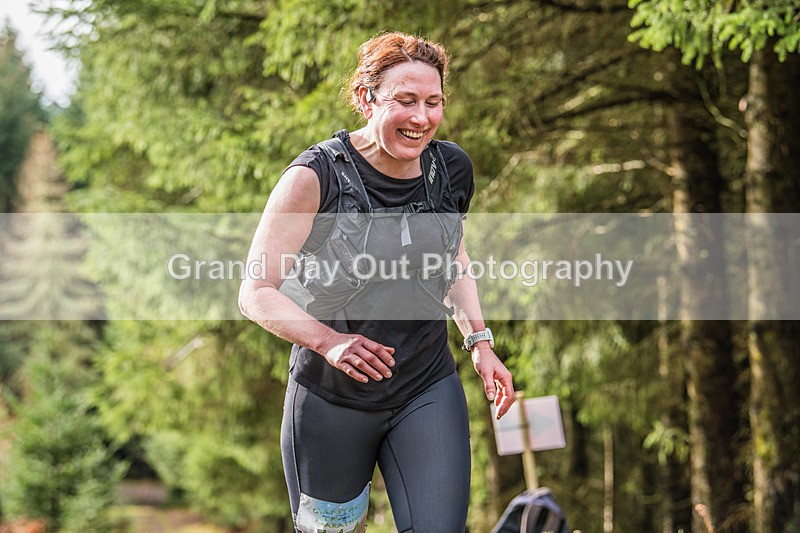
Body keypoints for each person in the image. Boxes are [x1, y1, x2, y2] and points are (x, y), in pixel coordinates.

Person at [239, 31, 515, 533]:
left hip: (426, 384)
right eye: (405, 100)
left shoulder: (451, 169)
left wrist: (480, 341)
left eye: (433, 102)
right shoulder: (314, 177)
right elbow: (255, 293)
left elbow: (453, 259)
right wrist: (329, 342)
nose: (421, 117)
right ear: (366, 99)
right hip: (330, 399)